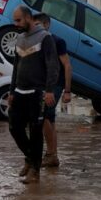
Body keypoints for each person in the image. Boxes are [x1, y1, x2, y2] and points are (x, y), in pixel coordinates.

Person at [8, 6, 60, 184]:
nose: (16, 24)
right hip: (19, 92)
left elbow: (53, 66)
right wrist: (11, 91)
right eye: (14, 21)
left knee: (36, 132)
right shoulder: (20, 38)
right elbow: (16, 67)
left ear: (28, 18)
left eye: (18, 20)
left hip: (38, 93)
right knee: (14, 128)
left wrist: (49, 90)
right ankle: (30, 159)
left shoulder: (45, 38)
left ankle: (35, 171)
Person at [33, 13, 72, 168]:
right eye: (34, 25)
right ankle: (52, 156)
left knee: (44, 118)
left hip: (55, 85)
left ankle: (50, 155)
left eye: (38, 25)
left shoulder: (57, 41)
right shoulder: (36, 41)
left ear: (47, 25)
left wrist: (67, 91)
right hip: (43, 84)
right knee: (50, 120)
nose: (35, 28)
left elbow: (67, 65)